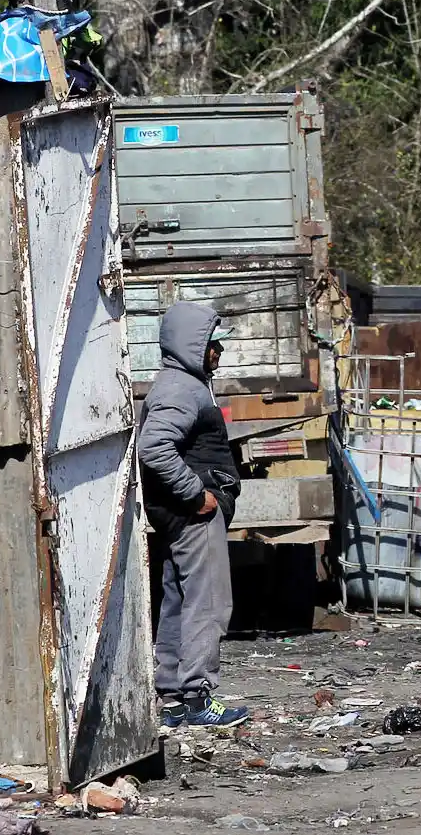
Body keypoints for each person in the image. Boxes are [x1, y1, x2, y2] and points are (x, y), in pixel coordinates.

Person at [139, 301, 248, 729]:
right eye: (211, 343)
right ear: (192, 345)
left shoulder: (177, 384)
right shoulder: (182, 390)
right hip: (193, 517)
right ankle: (199, 697)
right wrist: (196, 495)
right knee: (209, 604)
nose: (217, 351)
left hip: (176, 516)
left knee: (178, 602)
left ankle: (173, 697)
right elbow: (154, 448)